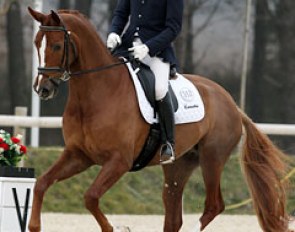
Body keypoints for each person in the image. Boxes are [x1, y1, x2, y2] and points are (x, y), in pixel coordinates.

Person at [107, 0, 184, 164]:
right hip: (127, 47)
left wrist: (148, 47)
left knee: (159, 89)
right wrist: (114, 32)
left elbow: (173, 28)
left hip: (156, 51)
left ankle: (168, 143)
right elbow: (121, 14)